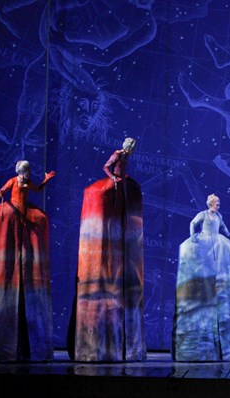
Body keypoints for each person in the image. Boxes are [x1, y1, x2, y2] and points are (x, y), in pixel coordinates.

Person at [71, 137, 146, 362]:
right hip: (114, 184)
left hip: (123, 187)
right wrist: (113, 178)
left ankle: (128, 347)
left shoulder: (126, 160)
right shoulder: (117, 155)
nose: (130, 151)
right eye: (130, 148)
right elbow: (107, 166)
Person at [0, 160, 55, 362]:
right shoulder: (14, 180)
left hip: (24, 211)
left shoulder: (28, 183)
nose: (28, 173)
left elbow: (38, 189)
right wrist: (1, 192)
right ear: (21, 171)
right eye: (26, 171)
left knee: (37, 219)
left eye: (29, 171)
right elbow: (4, 188)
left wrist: (46, 179)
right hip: (15, 209)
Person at [174, 193, 230, 361]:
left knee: (222, 262)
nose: (218, 205)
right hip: (204, 240)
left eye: (219, 203)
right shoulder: (203, 214)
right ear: (211, 203)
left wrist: (229, 233)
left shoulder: (219, 215)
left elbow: (223, 226)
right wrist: (192, 236)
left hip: (218, 242)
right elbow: (193, 223)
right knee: (204, 264)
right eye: (216, 203)